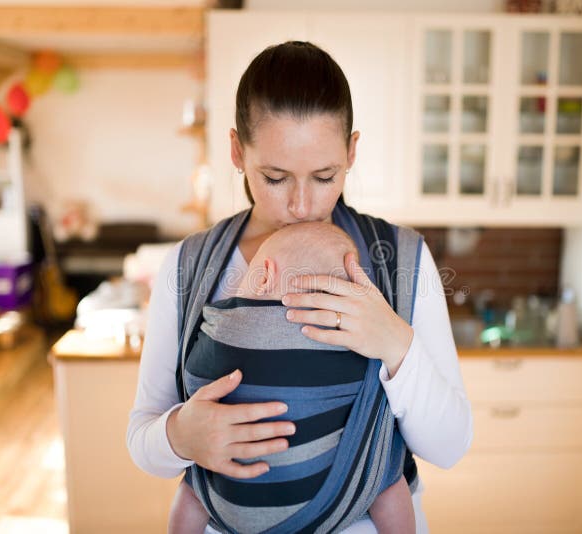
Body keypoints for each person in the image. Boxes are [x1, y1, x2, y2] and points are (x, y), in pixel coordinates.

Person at [127, 40, 473, 533]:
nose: (302, 204)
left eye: (325, 175)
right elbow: (144, 437)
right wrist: (180, 436)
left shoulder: (401, 260)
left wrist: (394, 342)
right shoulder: (188, 267)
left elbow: (450, 446)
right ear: (235, 150)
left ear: (352, 152)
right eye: (274, 176)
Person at [169, 221, 415, 534]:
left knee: (192, 486)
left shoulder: (220, 325)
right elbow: (376, 395)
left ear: (264, 276)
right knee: (387, 469)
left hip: (230, 506)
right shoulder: (355, 341)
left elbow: (192, 380)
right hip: (328, 503)